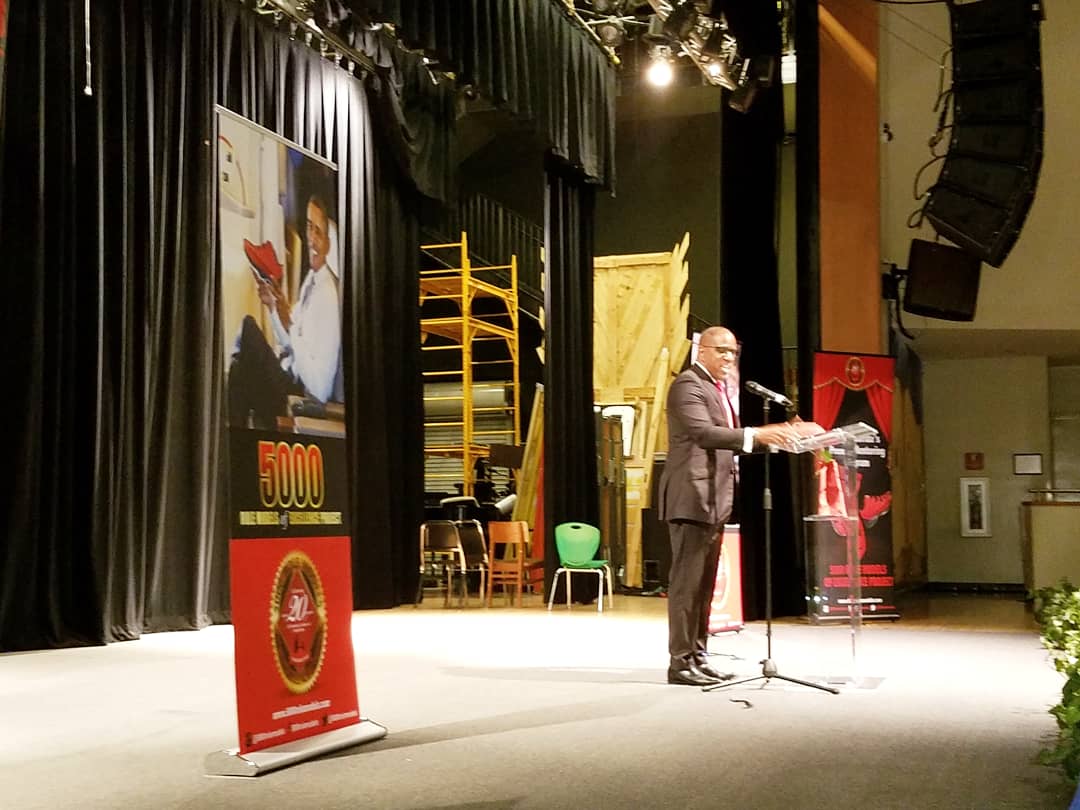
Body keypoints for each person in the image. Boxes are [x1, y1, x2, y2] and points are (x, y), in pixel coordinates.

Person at [658, 326, 823, 686]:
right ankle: (679, 663)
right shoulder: (687, 385)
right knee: (687, 586)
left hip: (713, 500)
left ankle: (698, 656)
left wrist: (783, 437)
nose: (729, 358)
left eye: (733, 352)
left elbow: (733, 442)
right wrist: (761, 433)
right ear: (702, 350)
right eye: (722, 350)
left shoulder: (716, 389)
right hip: (691, 497)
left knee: (704, 588)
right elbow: (705, 435)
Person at [228, 194, 343, 429]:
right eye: (309, 227)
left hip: (298, 393)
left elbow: (320, 388)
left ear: (330, 241)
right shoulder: (312, 281)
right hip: (287, 378)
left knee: (248, 328)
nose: (311, 239)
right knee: (239, 366)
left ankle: (236, 436)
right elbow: (289, 343)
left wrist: (290, 325)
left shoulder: (328, 297)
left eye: (319, 232)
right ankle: (236, 440)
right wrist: (273, 307)